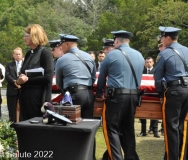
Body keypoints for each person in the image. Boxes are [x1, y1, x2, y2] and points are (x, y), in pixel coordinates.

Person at [96, 30, 144, 160]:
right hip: (134, 97)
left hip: (116, 97)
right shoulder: (139, 55)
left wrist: (99, 93)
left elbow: (101, 78)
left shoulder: (112, 55)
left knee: (112, 128)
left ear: (116, 41)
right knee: (128, 129)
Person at [154, 26, 188, 160]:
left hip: (174, 92)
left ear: (168, 38)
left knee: (171, 128)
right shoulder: (187, 50)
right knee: (182, 125)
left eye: (162, 38)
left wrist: (160, 94)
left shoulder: (164, 53)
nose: (161, 40)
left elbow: (157, 77)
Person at [16, 24, 53, 120]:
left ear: (34, 36)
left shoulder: (45, 53)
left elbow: (48, 77)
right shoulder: (29, 53)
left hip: (37, 97)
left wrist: (28, 79)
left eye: (26, 36)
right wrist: (19, 80)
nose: (24, 38)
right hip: (25, 95)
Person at [56, 34, 96, 118]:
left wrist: (65, 92)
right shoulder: (89, 57)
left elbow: (59, 82)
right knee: (87, 125)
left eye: (61, 45)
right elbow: (93, 78)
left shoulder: (62, 59)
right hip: (88, 94)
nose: (61, 48)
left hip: (73, 94)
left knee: (71, 124)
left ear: (67, 44)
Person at [138, 57, 160, 138]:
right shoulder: (141, 72)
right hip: (143, 94)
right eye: (147, 62)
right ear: (145, 63)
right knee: (142, 114)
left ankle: (155, 131)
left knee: (154, 114)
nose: (148, 63)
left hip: (154, 94)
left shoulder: (156, 71)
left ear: (153, 63)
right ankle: (143, 131)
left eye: (150, 62)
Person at [5, 47, 23, 122]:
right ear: (13, 55)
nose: (18, 55)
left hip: (23, 90)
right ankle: (12, 126)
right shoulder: (9, 65)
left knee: (23, 109)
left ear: (22, 55)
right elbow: (7, 75)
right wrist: (15, 82)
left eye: (19, 54)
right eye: (16, 54)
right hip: (12, 90)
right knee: (12, 109)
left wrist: (21, 83)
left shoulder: (25, 65)